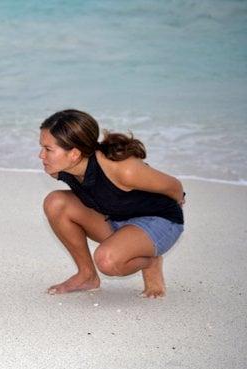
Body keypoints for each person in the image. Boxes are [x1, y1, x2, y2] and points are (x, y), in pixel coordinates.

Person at [39, 109, 185, 298]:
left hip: (159, 221)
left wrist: (179, 200)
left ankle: (150, 261)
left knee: (107, 261)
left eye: (48, 149)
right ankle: (87, 276)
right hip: (115, 218)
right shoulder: (61, 169)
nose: (41, 155)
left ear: (74, 154)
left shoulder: (122, 169)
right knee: (55, 203)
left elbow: (174, 186)